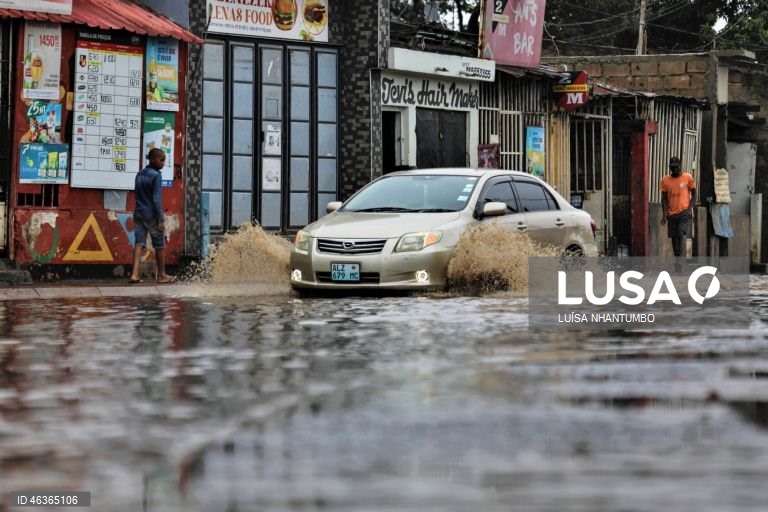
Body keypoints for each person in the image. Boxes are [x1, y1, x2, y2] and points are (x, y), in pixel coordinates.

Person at [129, 148, 176, 284]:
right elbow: (156, 199)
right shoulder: (156, 176)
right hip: (151, 215)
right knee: (159, 244)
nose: (163, 163)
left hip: (138, 212)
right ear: (153, 159)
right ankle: (162, 275)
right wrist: (161, 219)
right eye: (161, 160)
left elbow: (137, 194)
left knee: (139, 243)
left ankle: (134, 274)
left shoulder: (139, 174)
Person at [660, 156, 696, 267]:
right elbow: (664, 199)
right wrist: (664, 215)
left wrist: (689, 209)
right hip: (671, 214)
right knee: (674, 238)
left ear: (680, 166)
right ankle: (677, 259)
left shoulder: (688, 178)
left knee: (680, 235)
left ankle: (679, 260)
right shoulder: (665, 180)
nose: (674, 170)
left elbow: (694, 194)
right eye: (672, 168)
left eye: (676, 167)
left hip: (684, 212)